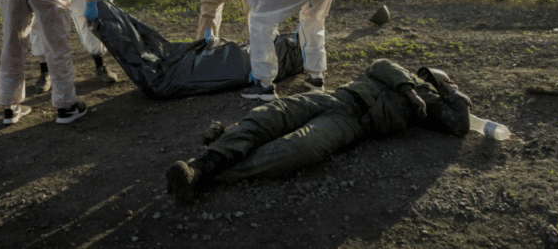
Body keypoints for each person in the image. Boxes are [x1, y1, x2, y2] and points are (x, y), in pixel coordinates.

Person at [166, 59, 472, 200]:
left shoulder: (429, 107)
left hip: (351, 123)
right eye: (427, 77)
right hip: (332, 97)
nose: (426, 80)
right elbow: (381, 63)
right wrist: (409, 89)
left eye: (432, 80)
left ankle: (211, 172)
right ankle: (201, 165)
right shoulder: (401, 78)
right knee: (270, 114)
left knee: (297, 148)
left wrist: (455, 93)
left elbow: (459, 126)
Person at [233, 0, 339, 101]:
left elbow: (258, 12)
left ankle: (265, 86)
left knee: (259, 22)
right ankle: (316, 77)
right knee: (313, 19)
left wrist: (268, 36)